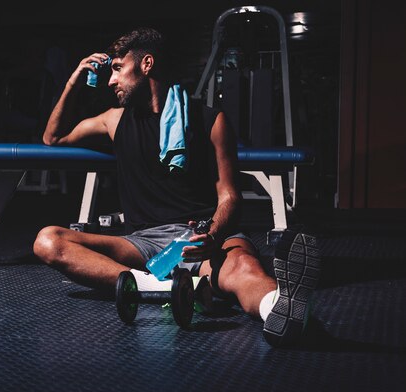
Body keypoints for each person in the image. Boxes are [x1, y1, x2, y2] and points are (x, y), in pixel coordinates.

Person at [32, 27, 320, 347]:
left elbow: (229, 195)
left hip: (200, 236)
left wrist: (212, 235)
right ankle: (164, 289)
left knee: (244, 268)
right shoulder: (113, 121)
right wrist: (74, 78)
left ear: (146, 64)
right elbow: (52, 138)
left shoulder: (210, 119)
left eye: (117, 69)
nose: (111, 80)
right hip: (143, 244)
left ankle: (279, 310)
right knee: (49, 241)